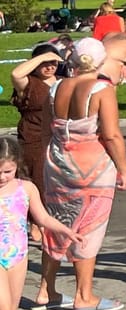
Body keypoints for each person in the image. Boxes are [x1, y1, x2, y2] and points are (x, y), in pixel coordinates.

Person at [36, 39, 126, 310]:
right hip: (91, 169)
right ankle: (84, 296)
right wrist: (124, 169)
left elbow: (46, 132)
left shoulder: (55, 88)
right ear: (100, 61)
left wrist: (49, 163)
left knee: (56, 225)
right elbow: (112, 135)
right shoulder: (102, 89)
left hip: (57, 164)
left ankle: (46, 290)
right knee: (89, 227)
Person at [0, 137, 76, 310]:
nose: (2, 176)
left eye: (7, 171)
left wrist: (65, 229)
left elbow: (42, 217)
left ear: (17, 166)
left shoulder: (26, 188)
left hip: (18, 256)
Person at [8, 47, 61, 209]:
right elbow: (16, 74)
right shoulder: (29, 83)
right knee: (38, 182)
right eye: (45, 63)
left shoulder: (62, 81)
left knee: (58, 183)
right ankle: (37, 225)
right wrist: (43, 55)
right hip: (34, 139)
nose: (50, 67)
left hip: (59, 139)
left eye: (54, 63)